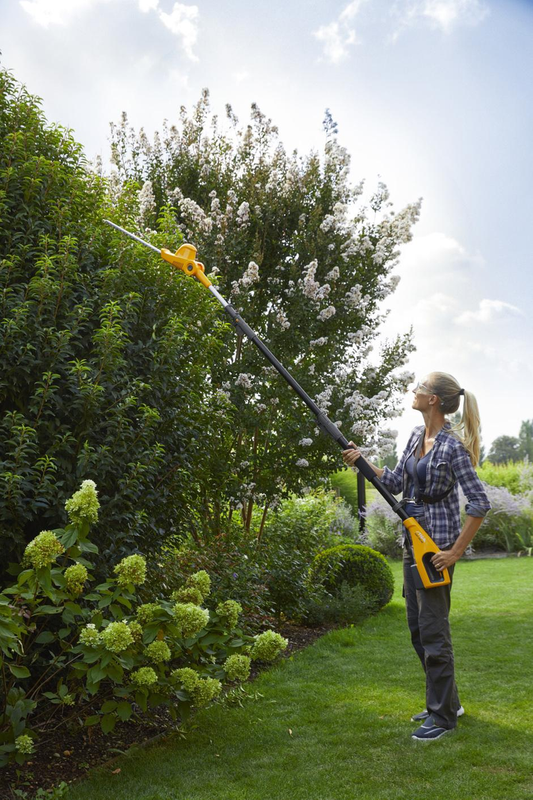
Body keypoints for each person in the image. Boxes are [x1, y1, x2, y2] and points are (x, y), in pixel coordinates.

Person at [342, 372, 491, 741]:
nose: (414, 391)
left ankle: (442, 718)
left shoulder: (452, 447)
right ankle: (448, 702)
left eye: (420, 388)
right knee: (418, 632)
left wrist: (454, 552)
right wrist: (363, 462)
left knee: (434, 633)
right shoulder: (414, 436)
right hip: (413, 546)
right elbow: (394, 482)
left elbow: (479, 502)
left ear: (435, 400)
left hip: (435, 552)